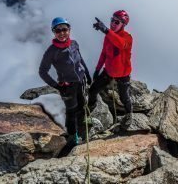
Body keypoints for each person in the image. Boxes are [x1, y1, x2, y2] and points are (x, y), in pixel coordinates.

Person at [39, 17, 92, 145]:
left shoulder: (74, 43)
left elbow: (80, 59)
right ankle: (73, 136)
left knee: (81, 103)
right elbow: (42, 71)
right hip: (67, 86)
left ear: (69, 30)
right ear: (54, 32)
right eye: (58, 30)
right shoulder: (51, 51)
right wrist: (57, 86)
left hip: (80, 80)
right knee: (71, 110)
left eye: (64, 29)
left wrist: (87, 73)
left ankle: (81, 124)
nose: (62, 33)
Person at [90, 10, 133, 123]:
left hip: (123, 74)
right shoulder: (108, 36)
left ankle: (129, 114)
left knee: (124, 97)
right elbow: (104, 53)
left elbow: (121, 44)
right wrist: (97, 69)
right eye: (112, 20)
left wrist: (106, 30)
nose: (113, 23)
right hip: (108, 71)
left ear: (123, 25)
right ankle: (90, 109)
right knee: (93, 90)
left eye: (117, 22)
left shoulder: (127, 37)